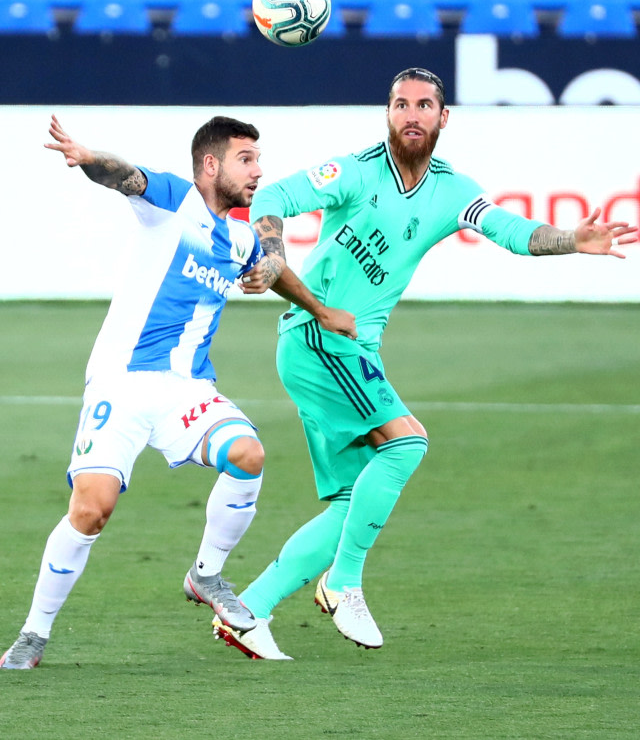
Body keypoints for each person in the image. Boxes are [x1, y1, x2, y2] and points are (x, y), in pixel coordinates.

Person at [212, 67, 638, 661]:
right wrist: (275, 251)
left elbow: (510, 231)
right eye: (400, 104)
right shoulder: (357, 171)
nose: (411, 114)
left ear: (443, 117)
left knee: (347, 503)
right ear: (387, 114)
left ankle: (248, 610)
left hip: (345, 350)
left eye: (424, 105)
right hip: (320, 338)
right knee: (407, 443)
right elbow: (278, 196)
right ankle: (343, 582)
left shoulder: (451, 190)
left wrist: (573, 239)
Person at [1, 114, 276, 669]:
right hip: (122, 382)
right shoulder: (175, 202)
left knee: (249, 454)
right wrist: (88, 158)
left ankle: (206, 575)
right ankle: (34, 633)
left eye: (257, 159)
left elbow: (269, 246)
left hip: (186, 390)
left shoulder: (241, 236)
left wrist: (277, 267)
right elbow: (126, 176)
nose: (257, 169)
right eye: (246, 159)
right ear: (210, 164)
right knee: (93, 509)